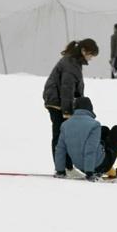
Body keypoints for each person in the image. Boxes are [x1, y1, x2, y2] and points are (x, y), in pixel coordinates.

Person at [43, 39, 99, 171]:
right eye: (91, 55)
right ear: (84, 51)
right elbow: (67, 88)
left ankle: (66, 167)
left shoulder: (74, 62)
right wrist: (68, 112)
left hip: (61, 101)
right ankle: (63, 168)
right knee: (60, 135)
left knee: (65, 134)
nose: (90, 59)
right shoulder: (70, 63)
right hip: (57, 102)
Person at [54, 97, 117, 181]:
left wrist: (60, 171)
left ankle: (110, 171)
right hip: (98, 165)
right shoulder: (94, 125)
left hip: (81, 167)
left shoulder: (65, 125)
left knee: (104, 130)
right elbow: (90, 149)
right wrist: (89, 173)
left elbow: (60, 150)